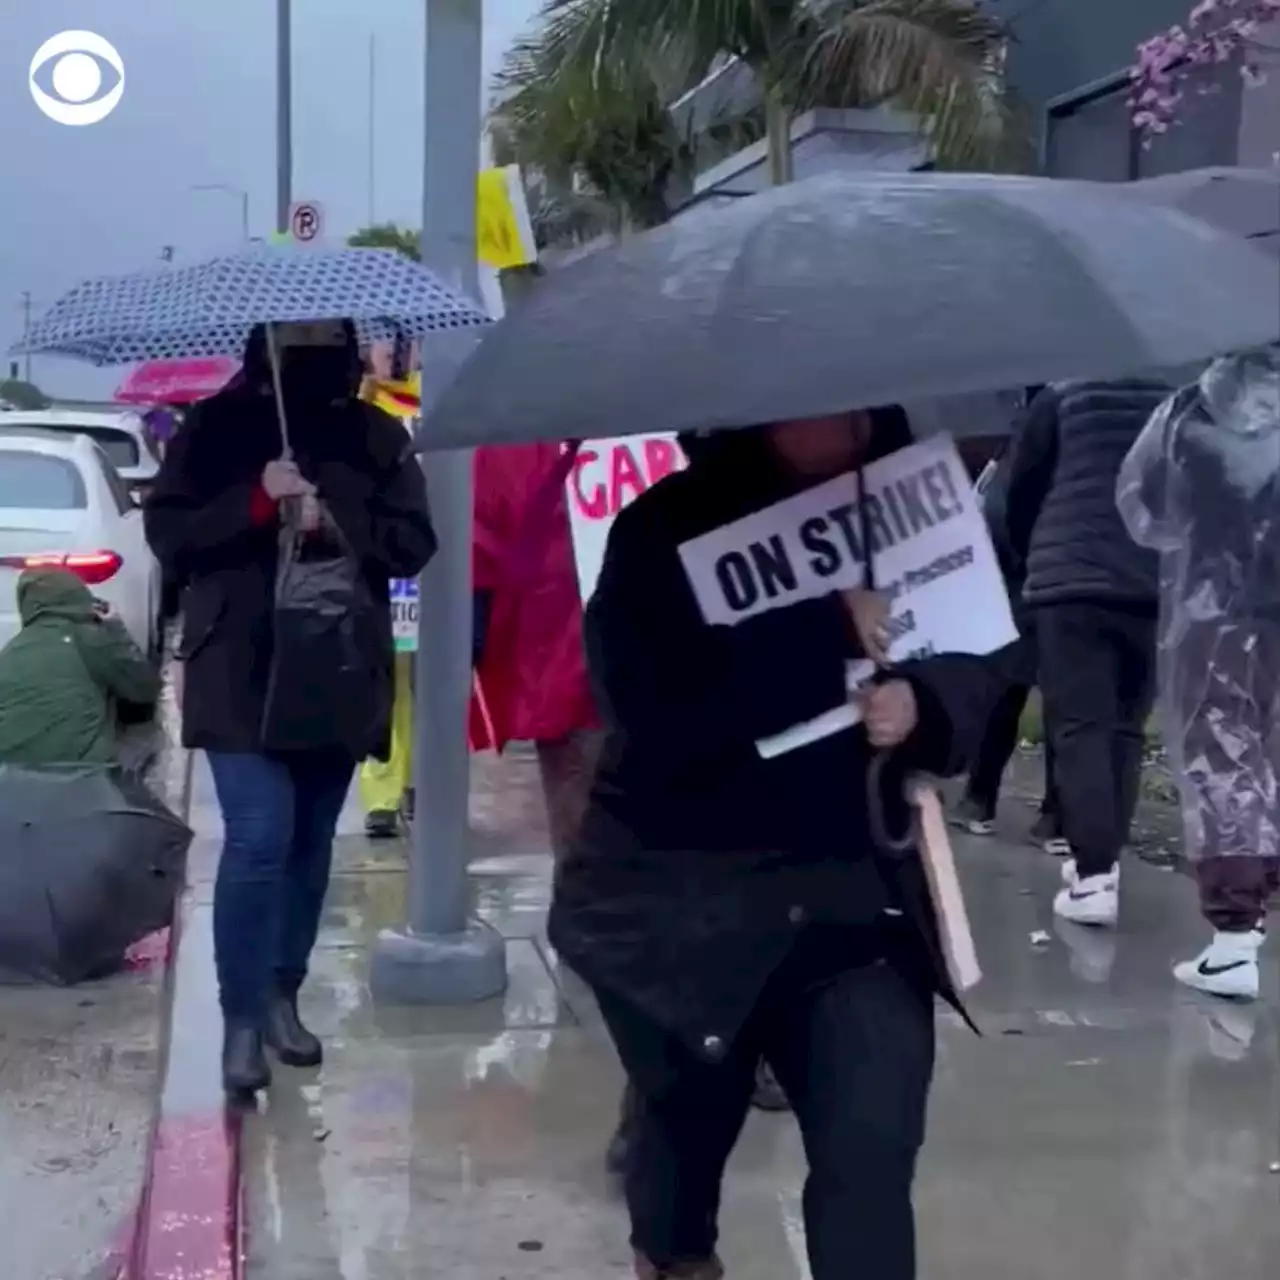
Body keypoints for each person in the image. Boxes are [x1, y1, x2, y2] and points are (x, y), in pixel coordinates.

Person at [549, 409, 1000, 1280]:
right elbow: (651, 710)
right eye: (815, 401)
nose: (846, 418)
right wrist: (822, 627)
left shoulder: (917, 509)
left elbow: (982, 652)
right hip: (682, 906)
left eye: (859, 398)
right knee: (680, 1155)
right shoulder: (665, 528)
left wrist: (926, 703)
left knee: (870, 1155)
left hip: (854, 910)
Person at [144, 319, 436, 1097]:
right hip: (237, 668)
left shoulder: (375, 436)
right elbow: (170, 536)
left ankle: (282, 994)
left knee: (309, 843)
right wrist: (256, 501)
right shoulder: (212, 428)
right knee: (260, 837)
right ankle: (240, 1018)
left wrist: (334, 502)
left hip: (334, 663)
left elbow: (414, 544)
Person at [1118, 348, 1280, 1000]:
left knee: (1223, 762)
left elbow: (1144, 506)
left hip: (1212, 610)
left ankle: (1236, 937)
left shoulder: (1186, 409)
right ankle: (1251, 918)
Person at [1002, 378, 1171, 928]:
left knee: (1079, 726)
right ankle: (1103, 867)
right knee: (1125, 727)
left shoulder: (1063, 391)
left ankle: (1093, 876)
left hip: (1070, 582)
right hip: (1152, 580)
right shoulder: (1178, 400)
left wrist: (1032, 552)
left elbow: (1022, 486)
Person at [952, 436, 1061, 847]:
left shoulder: (1020, 448)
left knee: (1008, 693)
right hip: (1058, 586)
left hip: (1020, 583)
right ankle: (1056, 818)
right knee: (1062, 704)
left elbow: (996, 511)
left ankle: (979, 800)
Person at [0, 568, 160, 765]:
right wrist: (117, 630)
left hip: (11, 782)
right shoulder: (92, 640)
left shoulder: (9, 651)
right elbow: (145, 689)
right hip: (81, 778)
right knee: (143, 731)